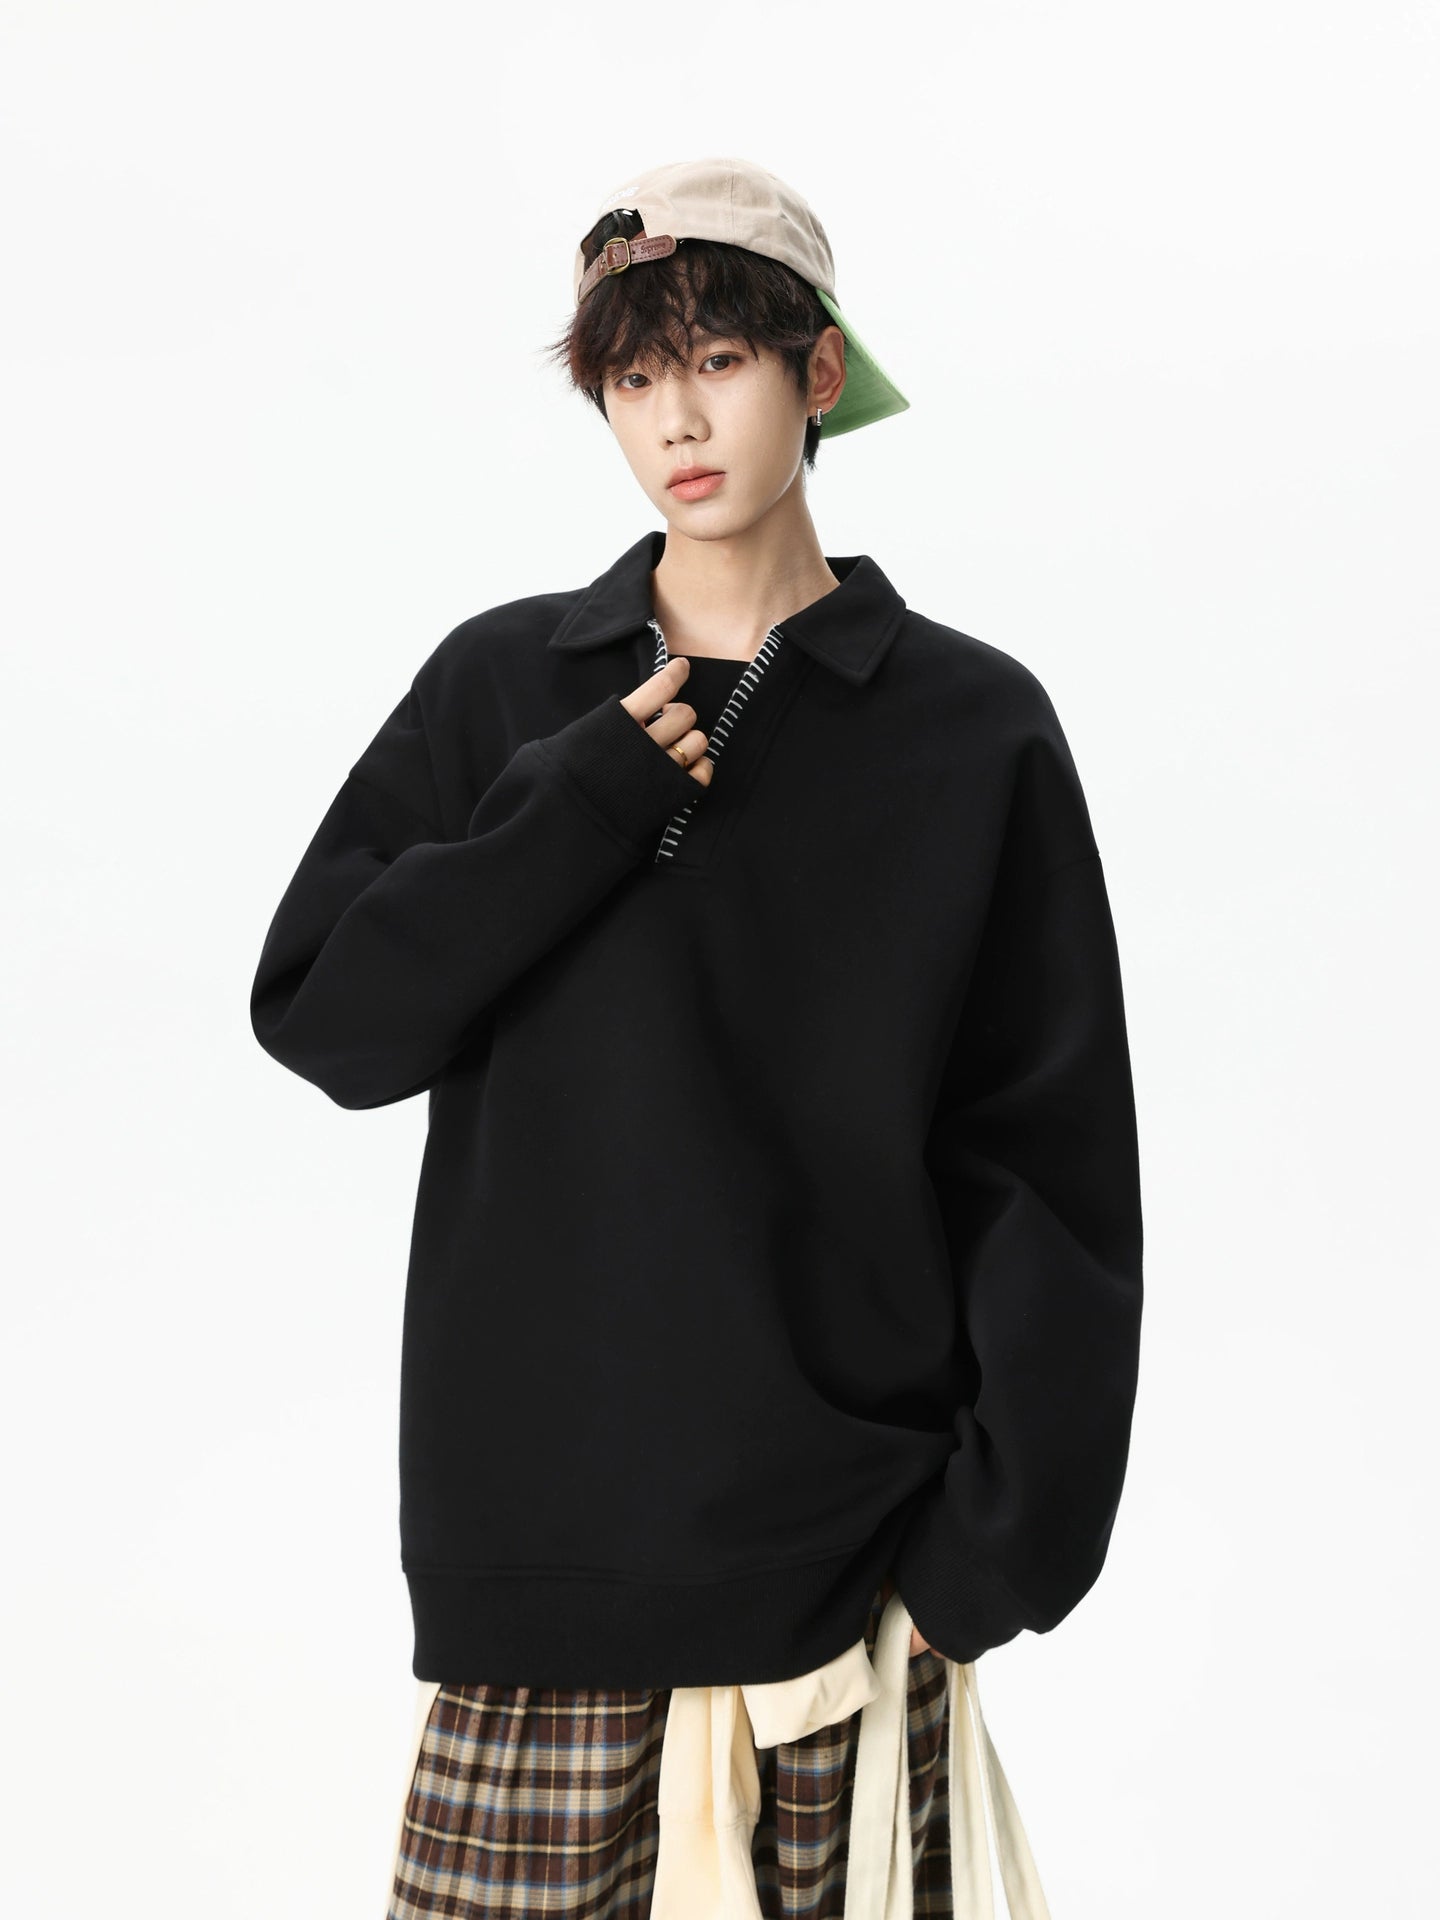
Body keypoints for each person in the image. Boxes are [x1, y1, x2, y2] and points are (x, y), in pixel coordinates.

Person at [249, 155, 1144, 1919]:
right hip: (541, 1578)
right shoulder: (508, 690)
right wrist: (575, 805)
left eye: (721, 361)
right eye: (635, 376)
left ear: (820, 374)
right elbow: (331, 1020)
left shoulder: (969, 729)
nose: (678, 418)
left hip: (851, 1590)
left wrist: (989, 1560)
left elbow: (1049, 1168)